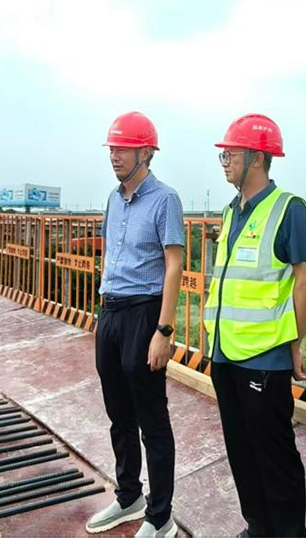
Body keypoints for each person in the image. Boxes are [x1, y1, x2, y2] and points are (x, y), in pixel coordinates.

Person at [203, 113, 306, 537]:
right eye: (223, 156)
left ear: (256, 158)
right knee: (241, 451)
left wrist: (295, 341)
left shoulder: (288, 209)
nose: (225, 162)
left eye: (230, 154)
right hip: (224, 352)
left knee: (274, 455)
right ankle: (258, 528)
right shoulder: (231, 211)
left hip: (264, 357)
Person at [86, 111, 184, 538]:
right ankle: (129, 496)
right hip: (111, 313)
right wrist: (102, 312)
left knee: (152, 419)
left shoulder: (165, 200)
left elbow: (174, 265)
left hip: (144, 314)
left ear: (146, 152)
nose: (115, 156)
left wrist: (163, 330)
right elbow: (110, 253)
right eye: (112, 148)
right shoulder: (113, 198)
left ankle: (160, 517)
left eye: (123, 149)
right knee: (118, 414)